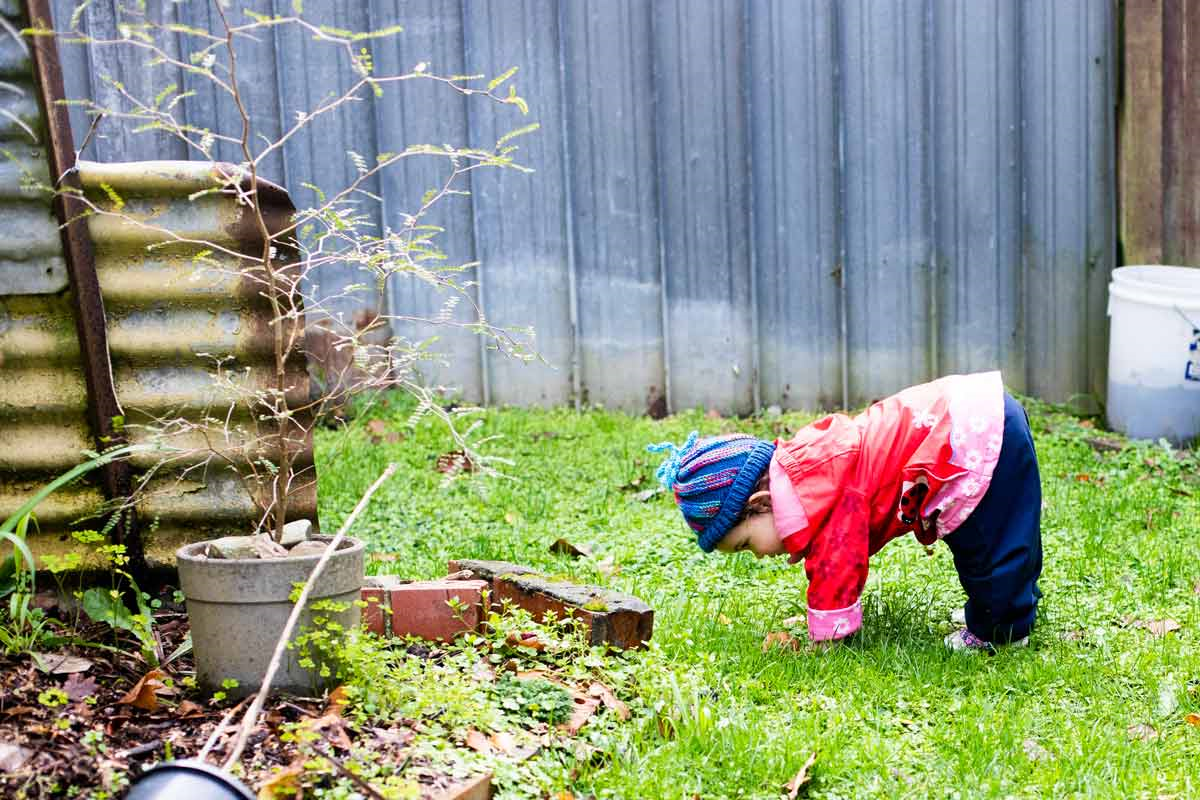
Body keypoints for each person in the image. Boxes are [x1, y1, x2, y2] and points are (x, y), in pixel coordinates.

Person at [647, 371, 1042, 651]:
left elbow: (837, 566)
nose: (761, 555)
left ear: (760, 505)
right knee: (998, 527)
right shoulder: (810, 471)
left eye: (748, 544)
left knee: (988, 539)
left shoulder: (823, 501)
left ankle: (1002, 629)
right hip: (972, 413)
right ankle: (1010, 601)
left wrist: (828, 638)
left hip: (969, 436)